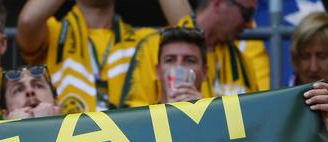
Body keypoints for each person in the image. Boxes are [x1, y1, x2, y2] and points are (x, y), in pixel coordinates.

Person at [17, 0, 154, 114]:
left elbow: (177, 25)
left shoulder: (144, 41)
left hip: (131, 141)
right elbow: (28, 21)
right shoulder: (55, 34)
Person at [121, 0, 259, 108]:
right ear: (218, 4)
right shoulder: (152, 46)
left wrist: (205, 111)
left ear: (205, 70)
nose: (251, 25)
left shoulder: (244, 62)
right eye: (247, 14)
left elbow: (254, 125)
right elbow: (134, 118)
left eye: (189, 60)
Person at [155, 27, 208, 103]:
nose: (179, 68)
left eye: (190, 60)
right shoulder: (141, 114)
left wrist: (204, 109)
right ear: (158, 72)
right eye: (170, 60)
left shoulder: (219, 114)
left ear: (204, 72)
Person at [290, 12, 328, 88]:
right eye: (305, 56)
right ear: (296, 59)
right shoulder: (278, 96)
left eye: (322, 56)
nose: (313, 68)